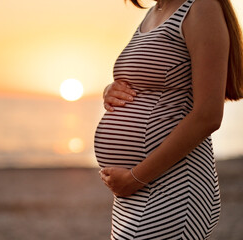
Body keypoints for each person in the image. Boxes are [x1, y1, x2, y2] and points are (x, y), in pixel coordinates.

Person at [94, 0, 243, 239]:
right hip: (136, 191)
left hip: (175, 187)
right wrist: (111, 91)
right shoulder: (156, 10)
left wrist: (134, 178)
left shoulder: (202, 6)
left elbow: (208, 115)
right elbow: (153, 82)